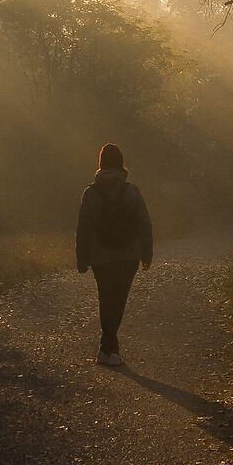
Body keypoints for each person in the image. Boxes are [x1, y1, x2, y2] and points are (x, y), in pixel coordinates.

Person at [75, 143, 153, 365]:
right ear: (121, 164)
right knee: (118, 301)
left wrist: (82, 259)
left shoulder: (90, 193)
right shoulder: (132, 191)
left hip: (101, 257)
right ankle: (111, 348)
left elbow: (83, 229)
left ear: (100, 164)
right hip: (129, 256)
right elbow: (145, 224)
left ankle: (107, 348)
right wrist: (146, 254)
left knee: (105, 299)